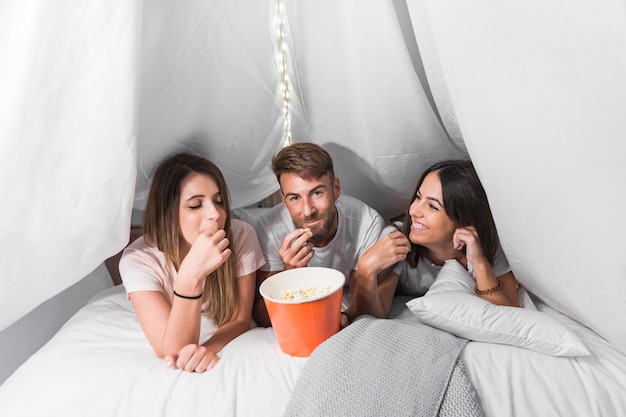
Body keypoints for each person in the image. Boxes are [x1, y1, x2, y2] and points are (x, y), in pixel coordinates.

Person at [119, 152, 265, 373]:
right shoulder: (138, 260)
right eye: (195, 205)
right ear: (168, 214)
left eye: (219, 201)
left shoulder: (241, 235)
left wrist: (207, 349)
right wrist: (190, 277)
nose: (215, 214)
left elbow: (239, 319)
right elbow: (172, 350)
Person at [355, 159, 520, 319]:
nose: (413, 211)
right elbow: (375, 315)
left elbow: (509, 314)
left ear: (464, 219)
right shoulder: (397, 240)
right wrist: (365, 269)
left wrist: (480, 262)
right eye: (418, 197)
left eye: (432, 206)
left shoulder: (484, 242)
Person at [252, 142, 385, 327]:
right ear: (283, 200)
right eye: (295, 198)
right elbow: (263, 317)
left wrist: (343, 317)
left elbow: (360, 306)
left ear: (336, 189)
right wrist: (290, 274)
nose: (307, 211)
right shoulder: (268, 230)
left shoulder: (367, 223)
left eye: (316, 193)